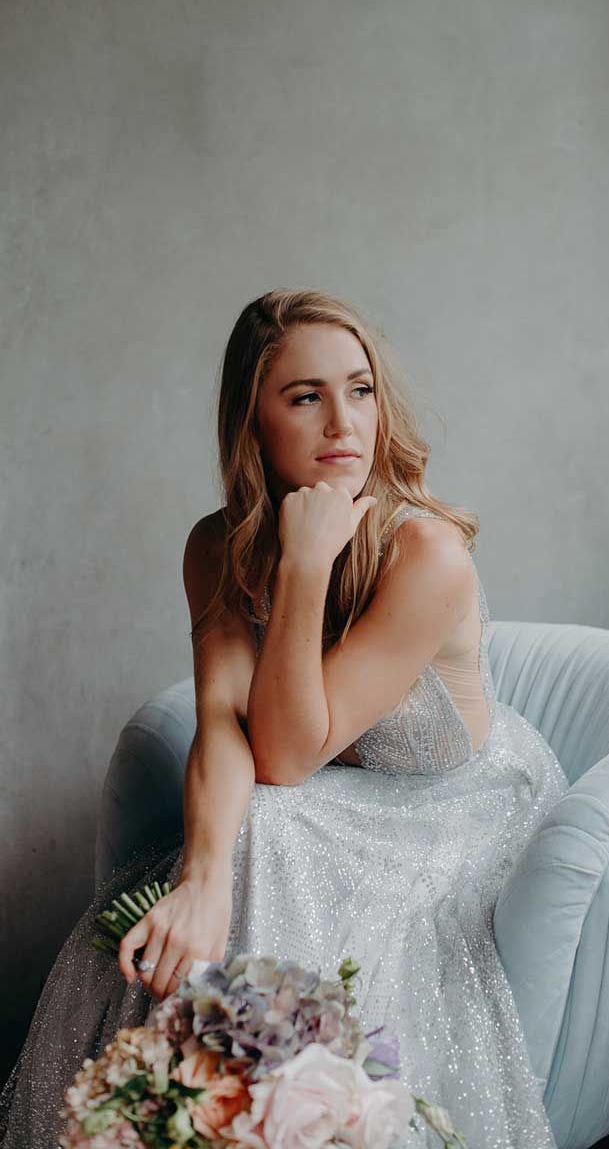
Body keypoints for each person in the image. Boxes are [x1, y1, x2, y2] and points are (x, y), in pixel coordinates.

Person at [0, 288, 570, 1148]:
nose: (344, 422)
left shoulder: (427, 555)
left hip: (457, 811)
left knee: (267, 824)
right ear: (254, 425)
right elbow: (225, 724)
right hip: (326, 799)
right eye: (305, 398)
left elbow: (287, 756)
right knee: (212, 864)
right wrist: (201, 880)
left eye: (360, 390)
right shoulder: (217, 544)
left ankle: (252, 1113)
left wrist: (306, 566)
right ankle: (187, 1112)